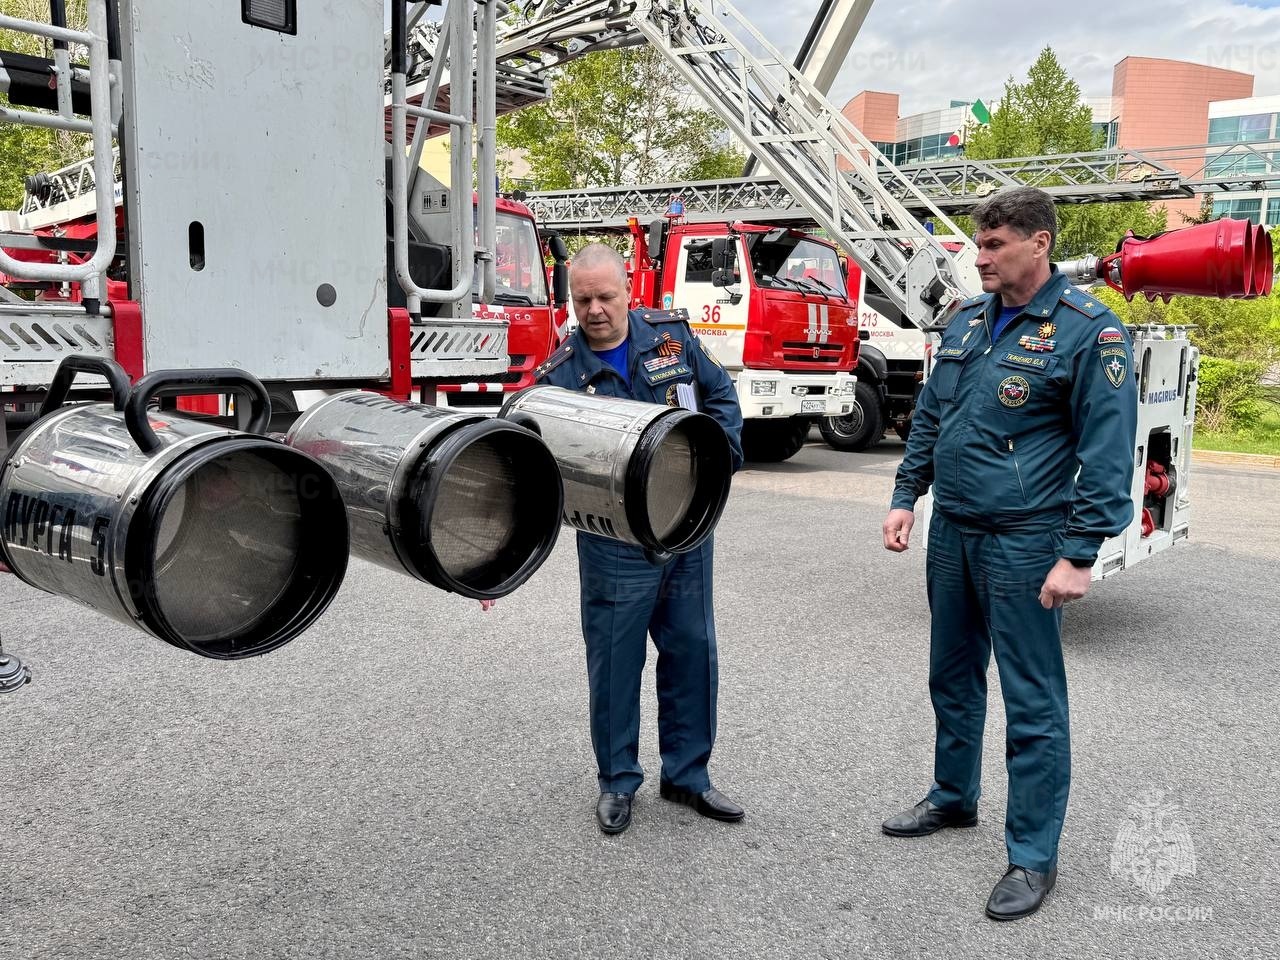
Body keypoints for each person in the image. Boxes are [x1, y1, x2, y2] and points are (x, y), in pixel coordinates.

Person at [880, 186, 1138, 920]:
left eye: (994, 245)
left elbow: (1108, 454)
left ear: (1040, 244)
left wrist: (1079, 554)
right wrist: (906, 495)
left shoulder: (1088, 332)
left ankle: (1032, 858)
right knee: (952, 676)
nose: (980, 257)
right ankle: (953, 797)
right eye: (978, 244)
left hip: (1027, 542)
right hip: (953, 530)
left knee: (1033, 703)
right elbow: (932, 413)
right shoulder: (969, 322)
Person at [534, 242, 745, 835]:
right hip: (616, 544)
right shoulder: (561, 377)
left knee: (692, 653)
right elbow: (530, 455)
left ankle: (688, 777)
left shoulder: (671, 338)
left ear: (629, 291)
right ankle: (617, 782)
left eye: (605, 296)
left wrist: (716, 465)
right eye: (583, 300)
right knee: (616, 664)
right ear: (570, 300)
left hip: (684, 530)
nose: (595, 310)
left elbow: (721, 397)